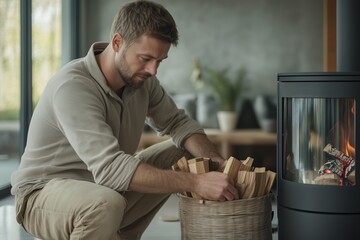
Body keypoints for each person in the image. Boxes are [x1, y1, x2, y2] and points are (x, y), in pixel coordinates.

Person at [11, 1, 239, 239]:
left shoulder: (142, 81)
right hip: (40, 196)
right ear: (117, 42)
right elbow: (110, 169)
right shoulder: (73, 86)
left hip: (101, 188)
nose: (153, 70)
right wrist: (196, 183)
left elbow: (178, 123)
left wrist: (217, 161)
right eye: (145, 58)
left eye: (160, 61)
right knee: (105, 204)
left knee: (185, 153)